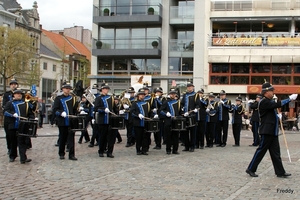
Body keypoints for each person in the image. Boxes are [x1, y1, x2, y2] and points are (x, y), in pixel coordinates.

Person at [246, 82, 297, 178]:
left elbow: (273, 109)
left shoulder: (268, 101)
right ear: (266, 92)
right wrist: (289, 99)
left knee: (275, 153)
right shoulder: (264, 101)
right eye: (271, 91)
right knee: (261, 151)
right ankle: (251, 168)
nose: (273, 92)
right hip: (267, 131)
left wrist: (278, 117)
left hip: (272, 131)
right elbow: (277, 105)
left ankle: (280, 172)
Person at [4, 88, 35, 164]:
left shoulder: (25, 104)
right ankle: (12, 156)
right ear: (14, 95)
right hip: (13, 125)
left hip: (23, 126)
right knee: (13, 142)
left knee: (22, 142)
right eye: (17, 94)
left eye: (20, 94)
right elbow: (5, 112)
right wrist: (12, 114)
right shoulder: (9, 103)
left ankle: (23, 158)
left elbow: (30, 114)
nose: (19, 95)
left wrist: (32, 118)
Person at [53, 82, 79, 161]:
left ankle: (71, 154)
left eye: (69, 89)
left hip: (71, 121)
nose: (68, 90)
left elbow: (74, 110)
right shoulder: (58, 98)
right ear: (63, 89)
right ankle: (61, 153)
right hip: (62, 121)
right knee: (62, 138)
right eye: (66, 88)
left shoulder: (73, 98)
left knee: (71, 138)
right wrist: (61, 113)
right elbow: (55, 110)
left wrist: (78, 112)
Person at [94, 83, 118, 158]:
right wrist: (104, 110)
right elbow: (96, 108)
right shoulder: (98, 98)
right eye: (105, 89)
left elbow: (114, 108)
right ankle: (101, 150)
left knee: (111, 137)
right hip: (102, 120)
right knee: (102, 136)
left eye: (107, 89)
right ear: (102, 90)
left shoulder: (111, 98)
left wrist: (117, 112)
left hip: (110, 120)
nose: (106, 90)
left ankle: (109, 152)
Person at [131, 88, 157, 155]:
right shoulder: (135, 103)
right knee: (138, 137)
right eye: (141, 95)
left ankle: (144, 150)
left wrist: (153, 115)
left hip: (145, 122)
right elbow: (132, 112)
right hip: (138, 123)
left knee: (145, 137)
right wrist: (138, 114)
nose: (142, 96)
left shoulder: (147, 103)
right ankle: (138, 150)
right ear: (138, 95)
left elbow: (149, 112)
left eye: (143, 95)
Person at [159, 88, 182, 154]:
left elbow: (180, 112)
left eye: (174, 94)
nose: (173, 95)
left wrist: (182, 114)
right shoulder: (166, 102)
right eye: (172, 94)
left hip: (176, 121)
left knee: (176, 136)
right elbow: (161, 110)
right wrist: (166, 113)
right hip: (168, 121)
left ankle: (175, 149)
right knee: (168, 136)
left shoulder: (178, 102)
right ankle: (168, 149)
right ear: (169, 95)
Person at [181, 82, 199, 152]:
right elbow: (182, 104)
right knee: (185, 131)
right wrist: (182, 109)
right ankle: (186, 146)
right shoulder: (185, 95)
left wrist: (195, 109)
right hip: (185, 115)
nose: (189, 88)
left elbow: (198, 104)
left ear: (193, 87)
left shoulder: (196, 95)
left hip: (192, 115)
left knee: (192, 132)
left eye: (190, 87)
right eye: (188, 87)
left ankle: (192, 146)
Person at [2, 79, 19, 155]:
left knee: (17, 135)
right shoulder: (6, 94)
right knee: (8, 135)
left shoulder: (19, 93)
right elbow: (4, 105)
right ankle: (10, 148)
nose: (13, 85)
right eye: (12, 84)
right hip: (9, 117)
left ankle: (17, 148)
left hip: (17, 117)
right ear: (10, 85)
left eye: (15, 84)